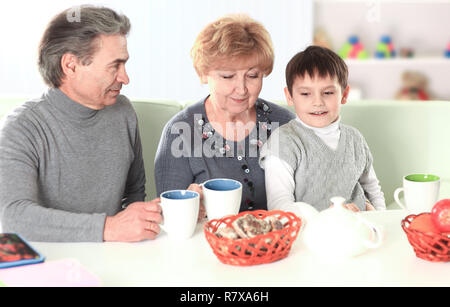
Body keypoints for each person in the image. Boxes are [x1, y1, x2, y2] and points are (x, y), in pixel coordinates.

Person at [0, 6, 162, 242]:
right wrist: (109, 228)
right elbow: (13, 217)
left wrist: (143, 219)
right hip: (50, 263)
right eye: (114, 65)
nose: (125, 78)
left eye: (124, 64)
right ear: (70, 65)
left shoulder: (123, 112)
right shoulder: (22, 128)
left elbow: (134, 192)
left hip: (114, 256)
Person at [154, 14, 295, 214]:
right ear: (204, 73)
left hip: (276, 242)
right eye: (228, 76)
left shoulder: (284, 124)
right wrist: (189, 209)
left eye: (253, 75)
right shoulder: (180, 131)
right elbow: (170, 215)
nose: (242, 89)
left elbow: (309, 197)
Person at [259, 45, 386, 218]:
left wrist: (381, 218)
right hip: (309, 233)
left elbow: (372, 189)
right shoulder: (283, 142)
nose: (317, 102)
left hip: (358, 229)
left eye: (327, 92)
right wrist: (328, 218)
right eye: (305, 94)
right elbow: (279, 205)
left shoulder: (355, 138)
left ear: (344, 94)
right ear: (289, 96)